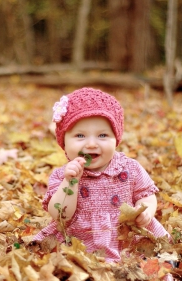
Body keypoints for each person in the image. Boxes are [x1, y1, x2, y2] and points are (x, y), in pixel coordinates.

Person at [33, 87, 171, 262]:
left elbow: (146, 195)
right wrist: (70, 183)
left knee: (151, 264)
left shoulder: (129, 168)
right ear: (64, 142)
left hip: (126, 237)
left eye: (103, 135)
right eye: (80, 135)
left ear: (116, 138)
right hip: (79, 242)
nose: (91, 144)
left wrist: (147, 211)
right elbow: (60, 215)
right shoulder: (63, 176)